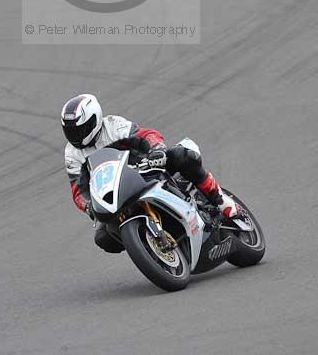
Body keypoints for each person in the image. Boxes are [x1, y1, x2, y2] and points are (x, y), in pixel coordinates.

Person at [61, 94, 241, 255]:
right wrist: (88, 206)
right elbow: (78, 190)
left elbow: (147, 134)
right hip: (116, 192)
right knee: (103, 238)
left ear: (95, 120)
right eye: (70, 130)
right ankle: (149, 247)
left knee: (184, 156)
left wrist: (157, 149)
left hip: (145, 168)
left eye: (80, 129)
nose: (75, 135)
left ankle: (220, 200)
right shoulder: (72, 153)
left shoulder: (113, 126)